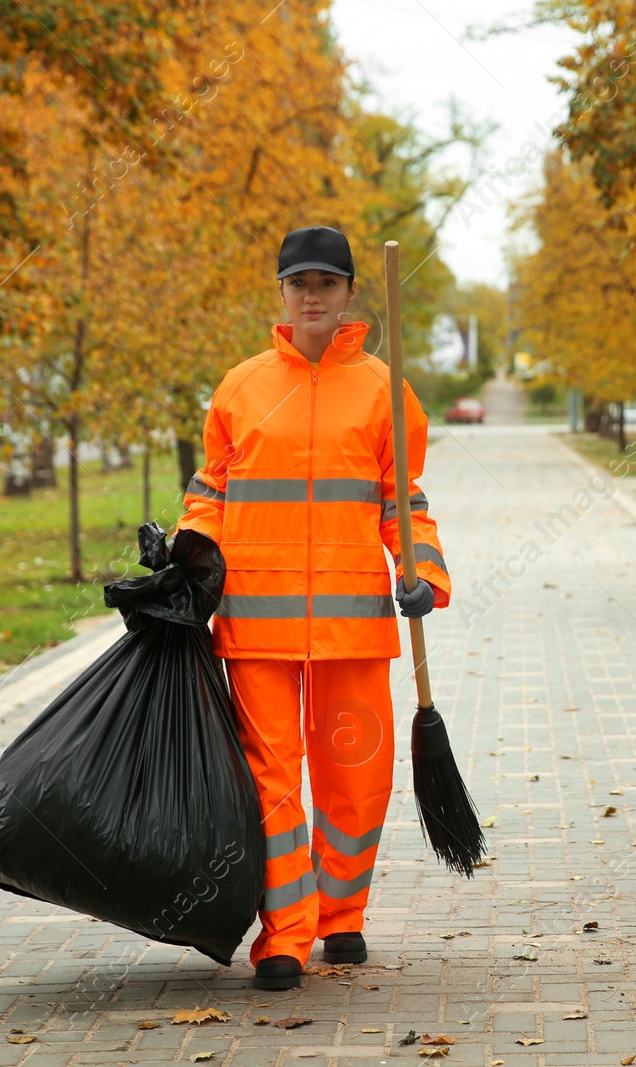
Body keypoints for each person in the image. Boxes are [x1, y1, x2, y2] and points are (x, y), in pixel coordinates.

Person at [172, 225, 452, 990]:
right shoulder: (241, 386)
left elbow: (407, 503)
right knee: (271, 778)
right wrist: (184, 552)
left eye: (327, 282)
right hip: (255, 621)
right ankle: (285, 934)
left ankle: (343, 916)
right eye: (300, 282)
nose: (313, 295)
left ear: (351, 292)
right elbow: (212, 490)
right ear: (282, 293)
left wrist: (423, 570)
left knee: (354, 776)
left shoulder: (387, 393)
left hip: (354, 622)